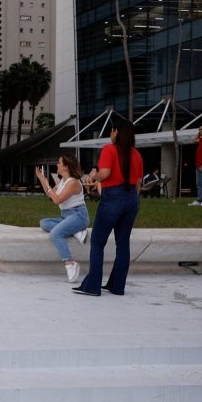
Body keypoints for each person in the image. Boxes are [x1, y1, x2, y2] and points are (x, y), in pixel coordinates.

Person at [73, 118, 143, 297]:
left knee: (97, 243)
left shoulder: (109, 149)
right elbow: (138, 183)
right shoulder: (136, 154)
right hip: (131, 200)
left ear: (117, 132)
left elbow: (106, 173)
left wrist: (93, 176)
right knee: (123, 244)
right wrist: (134, 201)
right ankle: (117, 286)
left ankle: (92, 287)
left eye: (112, 131)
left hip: (113, 198)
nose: (111, 134)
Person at [35, 155, 90, 283]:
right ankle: (76, 231)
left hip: (78, 216)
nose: (57, 165)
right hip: (67, 216)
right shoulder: (63, 181)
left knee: (55, 233)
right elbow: (51, 195)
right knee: (44, 223)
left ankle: (70, 263)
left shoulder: (73, 182)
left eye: (59, 163)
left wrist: (47, 184)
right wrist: (42, 179)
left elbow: (57, 200)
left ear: (66, 166)